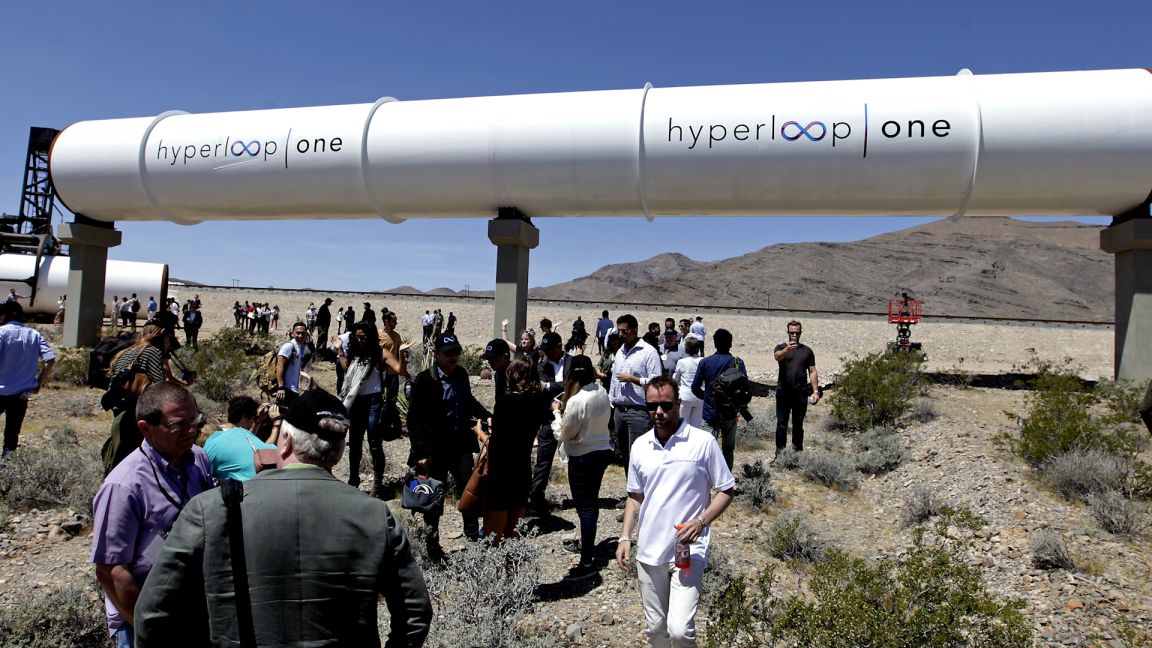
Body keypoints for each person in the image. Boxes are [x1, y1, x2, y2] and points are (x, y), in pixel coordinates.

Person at [134, 389, 432, 647]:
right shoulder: (374, 514)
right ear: (339, 452)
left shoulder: (210, 509)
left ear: (285, 441)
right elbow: (415, 612)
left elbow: (151, 614)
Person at [615, 376, 735, 648]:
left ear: (679, 403)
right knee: (656, 630)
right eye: (652, 406)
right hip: (649, 550)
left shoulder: (702, 442)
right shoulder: (640, 446)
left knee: (680, 630)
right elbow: (635, 496)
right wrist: (625, 537)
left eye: (666, 405)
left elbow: (726, 490)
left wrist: (701, 521)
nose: (659, 412)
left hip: (687, 550)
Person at [91, 383, 214, 647]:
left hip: (191, 608)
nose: (191, 431)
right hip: (141, 617)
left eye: (194, 421)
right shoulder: (123, 486)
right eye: (178, 425)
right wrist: (149, 628)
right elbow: (110, 570)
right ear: (145, 429)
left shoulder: (198, 459)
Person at [406, 332, 492, 557]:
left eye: (456, 352)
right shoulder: (425, 380)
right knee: (434, 496)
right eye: (448, 354)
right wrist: (421, 451)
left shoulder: (461, 374)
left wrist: (487, 416)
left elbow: (468, 401)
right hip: (434, 450)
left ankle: (472, 541)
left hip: (460, 445)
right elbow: (414, 419)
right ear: (437, 354)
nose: (453, 357)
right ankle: (432, 545)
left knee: (469, 492)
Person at [551, 354, 612, 580]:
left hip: (582, 456)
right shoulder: (601, 391)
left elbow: (564, 434)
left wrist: (556, 413)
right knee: (591, 503)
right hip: (601, 451)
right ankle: (588, 545)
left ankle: (586, 562)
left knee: (584, 508)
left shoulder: (576, 401)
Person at [483, 356, 551, 543]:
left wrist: (481, 434)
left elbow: (497, 442)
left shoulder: (505, 402)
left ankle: (492, 562)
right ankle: (512, 562)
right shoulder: (537, 401)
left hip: (502, 470)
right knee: (513, 529)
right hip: (522, 468)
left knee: (493, 535)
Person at [102, 324, 183, 472]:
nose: (169, 342)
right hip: (138, 410)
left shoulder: (127, 351)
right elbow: (159, 385)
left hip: (120, 410)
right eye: (168, 338)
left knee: (120, 453)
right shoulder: (153, 351)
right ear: (161, 336)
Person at [337, 322, 403, 496]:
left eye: (363, 337)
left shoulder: (381, 353)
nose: (360, 340)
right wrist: (340, 350)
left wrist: (402, 354)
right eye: (357, 337)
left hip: (374, 402)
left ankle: (377, 485)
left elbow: (399, 370)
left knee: (374, 443)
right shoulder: (354, 353)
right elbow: (346, 368)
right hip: (356, 401)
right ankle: (353, 480)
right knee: (355, 443)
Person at [609, 314, 663, 473]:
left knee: (639, 456)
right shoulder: (620, 352)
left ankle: (643, 486)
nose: (621, 335)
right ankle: (631, 486)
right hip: (619, 411)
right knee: (625, 456)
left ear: (634, 330)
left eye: (624, 331)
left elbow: (657, 381)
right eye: (619, 331)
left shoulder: (648, 352)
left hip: (639, 411)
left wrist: (634, 379)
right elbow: (614, 379)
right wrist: (611, 402)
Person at [0, 301, 55, 455]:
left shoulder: (1, 333)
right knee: (12, 434)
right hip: (22, 394)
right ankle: (8, 464)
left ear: (8, 315)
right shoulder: (34, 334)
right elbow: (50, 359)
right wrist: (39, 382)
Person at [528, 331, 573, 512]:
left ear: (559, 347)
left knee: (576, 458)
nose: (547, 354)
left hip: (572, 416)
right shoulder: (541, 366)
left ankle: (581, 497)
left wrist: (548, 386)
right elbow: (540, 387)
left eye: (550, 350)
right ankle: (536, 497)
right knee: (543, 459)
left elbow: (572, 384)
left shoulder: (573, 362)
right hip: (549, 417)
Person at [692, 329, 748, 471]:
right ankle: (726, 478)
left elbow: (695, 388)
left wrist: (707, 398)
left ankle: (706, 478)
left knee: (706, 449)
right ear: (730, 344)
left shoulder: (705, 362)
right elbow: (746, 389)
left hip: (710, 412)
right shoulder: (738, 363)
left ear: (715, 343)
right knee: (728, 448)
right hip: (730, 412)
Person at [773, 320, 820, 455]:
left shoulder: (807, 351)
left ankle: (797, 454)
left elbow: (812, 371)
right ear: (787, 332)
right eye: (791, 332)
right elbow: (777, 357)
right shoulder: (781, 347)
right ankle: (780, 455)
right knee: (781, 424)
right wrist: (787, 350)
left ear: (800, 333)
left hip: (800, 392)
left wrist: (815, 391)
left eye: (796, 333)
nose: (794, 335)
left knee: (798, 424)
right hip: (783, 391)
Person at [203, 395, 276, 482]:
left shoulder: (215, 438)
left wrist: (259, 419)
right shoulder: (240, 436)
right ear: (244, 417)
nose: (254, 421)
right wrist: (277, 423)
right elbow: (264, 450)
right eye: (254, 417)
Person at [379, 310, 411, 442]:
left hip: (393, 373)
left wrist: (404, 371)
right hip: (381, 373)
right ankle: (381, 427)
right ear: (386, 321)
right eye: (394, 321)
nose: (396, 323)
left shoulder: (396, 336)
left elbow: (399, 354)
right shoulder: (379, 335)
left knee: (391, 401)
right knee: (380, 400)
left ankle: (394, 428)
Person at [274, 322, 310, 405]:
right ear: (292, 333)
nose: (300, 335)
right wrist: (281, 387)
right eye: (298, 333)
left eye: (303, 333)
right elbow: (279, 366)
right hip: (286, 389)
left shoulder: (300, 347)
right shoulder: (289, 346)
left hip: (294, 390)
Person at [673, 337, 704, 428]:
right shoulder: (703, 361)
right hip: (700, 396)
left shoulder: (682, 362)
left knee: (682, 425)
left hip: (685, 395)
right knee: (696, 426)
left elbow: (675, 379)